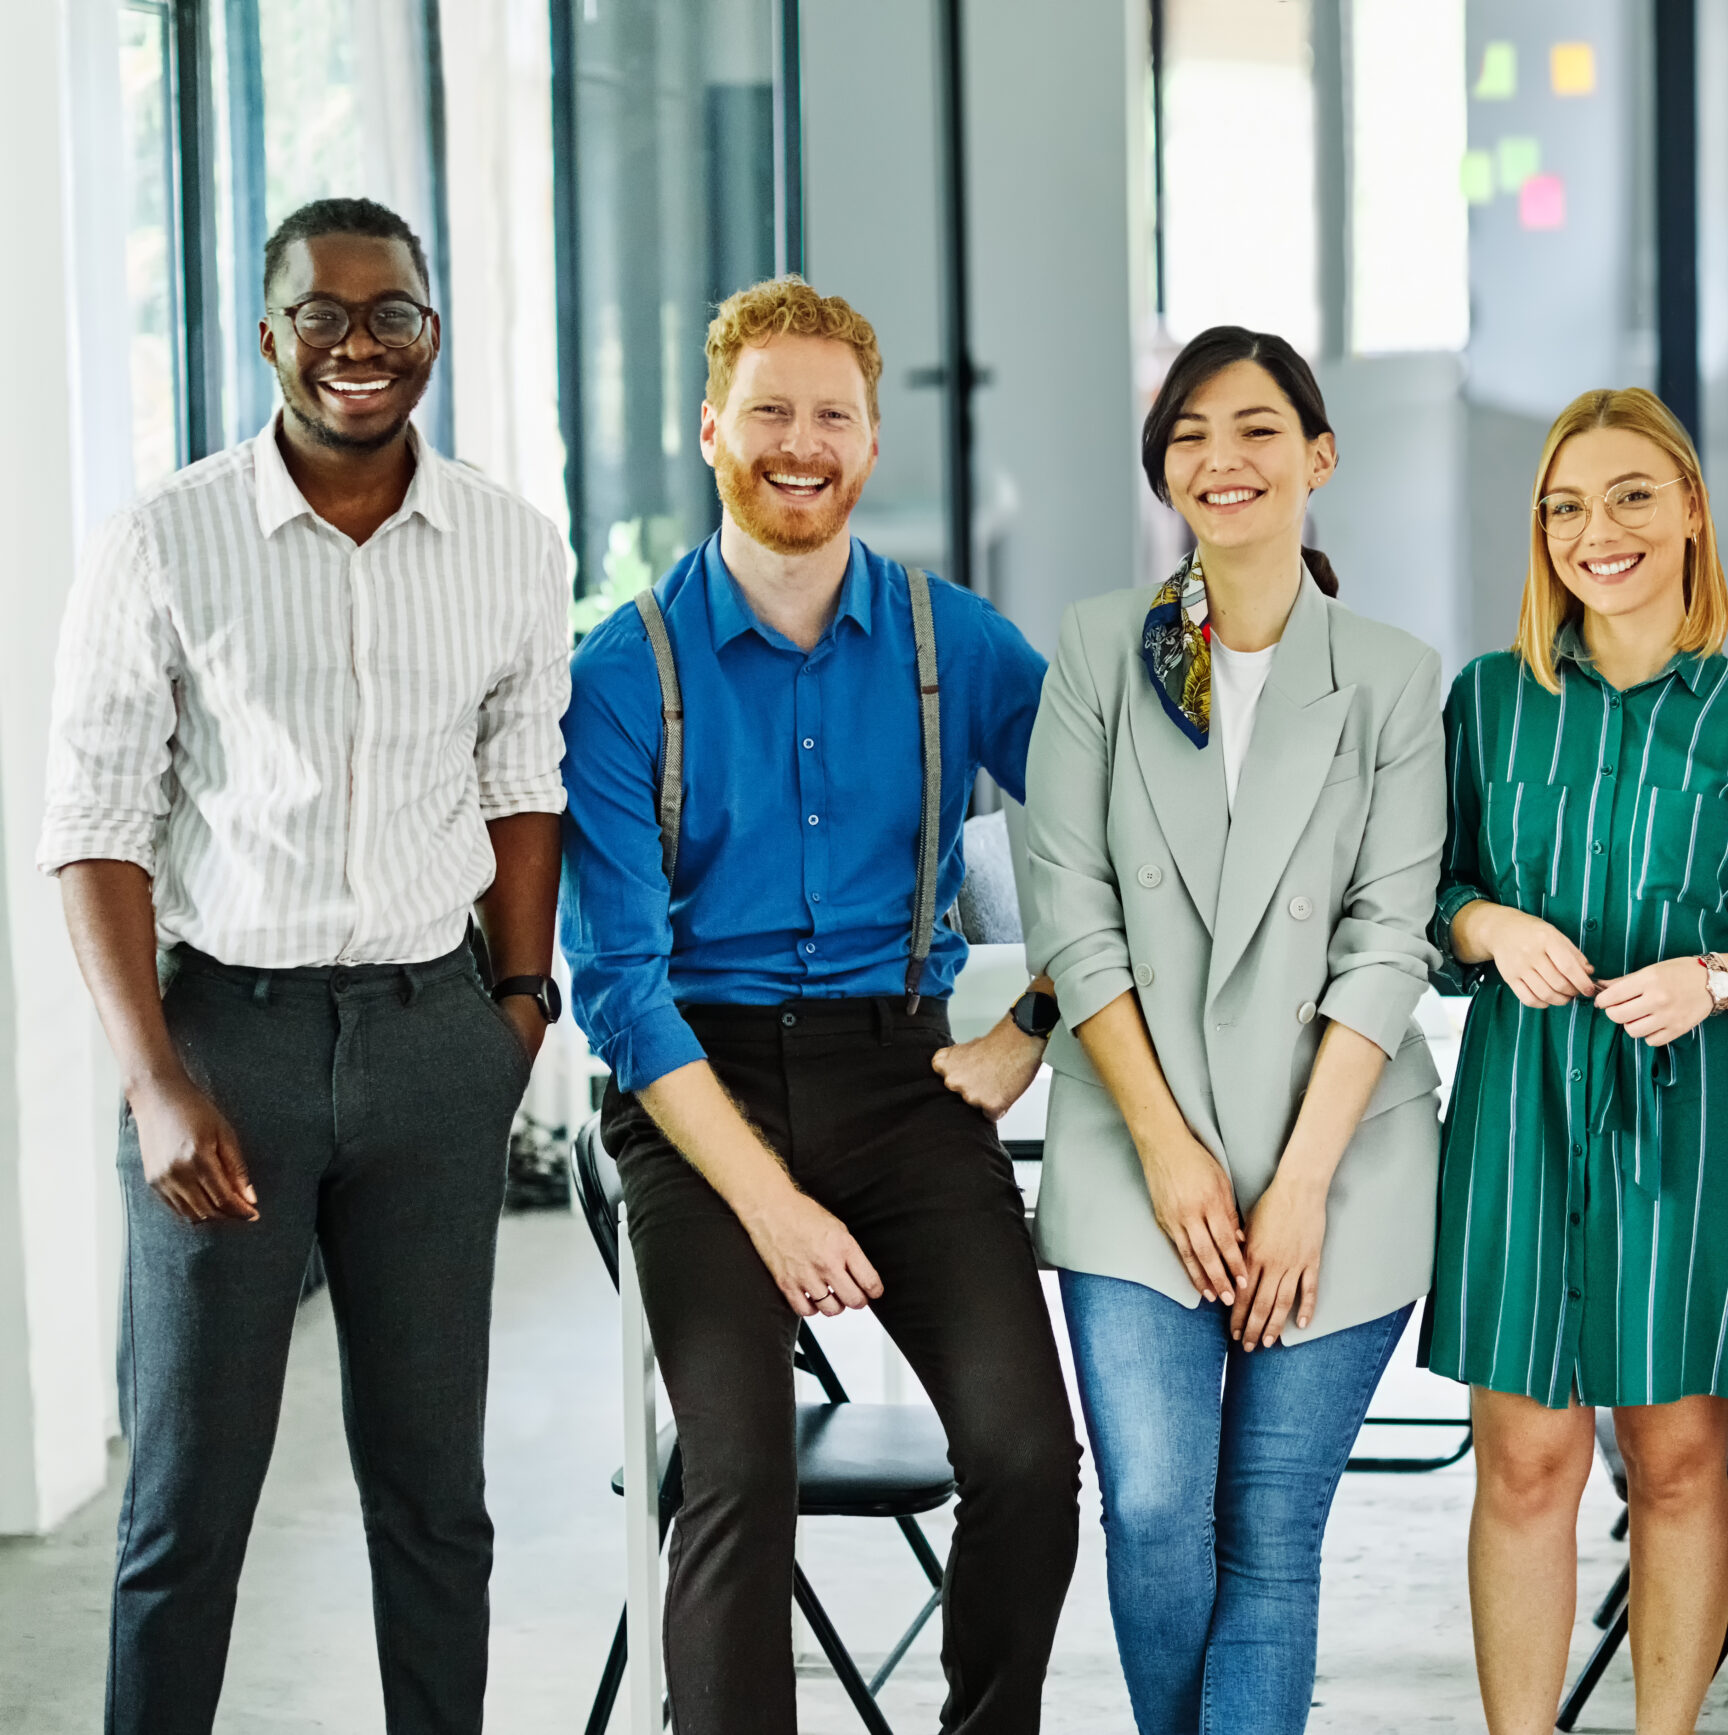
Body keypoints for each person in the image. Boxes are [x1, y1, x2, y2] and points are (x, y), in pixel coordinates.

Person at [43, 198, 568, 1735]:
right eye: (322, 316)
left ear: (432, 331)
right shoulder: (164, 541)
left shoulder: (508, 546)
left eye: (391, 313)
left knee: (432, 1504)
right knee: (185, 1512)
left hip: (430, 1040)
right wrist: (154, 1082)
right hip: (229, 1051)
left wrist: (516, 1013)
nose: (359, 345)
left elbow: (520, 786)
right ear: (267, 335)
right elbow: (94, 824)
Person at [559, 277, 1079, 1735]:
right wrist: (776, 1212)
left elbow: (1121, 839)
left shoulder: (951, 643)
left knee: (1030, 1456)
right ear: (711, 428)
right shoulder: (621, 674)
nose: (803, 442)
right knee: (736, 1470)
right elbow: (624, 990)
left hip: (902, 1080)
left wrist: (1028, 1024)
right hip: (696, 1102)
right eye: (771, 412)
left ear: (869, 441)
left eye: (833, 415)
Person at [1020, 326, 1443, 1735]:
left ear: (1319, 457)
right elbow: (1072, 913)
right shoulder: (1102, 648)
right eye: (1192, 433)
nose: (1225, 457)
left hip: (1343, 1158)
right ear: (1165, 475)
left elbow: (1391, 938)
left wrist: (1304, 1184)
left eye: (1259, 428)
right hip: (1140, 1152)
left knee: (1268, 1532)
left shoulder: (1390, 674)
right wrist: (1171, 1152)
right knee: (1150, 1509)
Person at [1428, 388, 1728, 1735]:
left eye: (1631, 497)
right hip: (1516, 1113)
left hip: (1689, 1124)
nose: (1597, 532)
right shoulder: (1487, 703)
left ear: (1693, 513)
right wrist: (1491, 925)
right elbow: (1431, 900)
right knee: (1526, 1460)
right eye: (1565, 507)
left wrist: (1716, 982)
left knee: (1676, 1462)